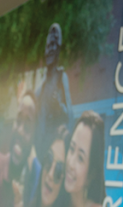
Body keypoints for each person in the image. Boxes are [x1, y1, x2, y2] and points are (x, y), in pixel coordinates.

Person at [35, 23, 74, 160]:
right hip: (40, 153)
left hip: (54, 154)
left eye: (53, 45)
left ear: (58, 49)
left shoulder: (61, 77)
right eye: (48, 46)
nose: (50, 49)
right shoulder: (40, 87)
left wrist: (59, 107)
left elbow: (69, 116)